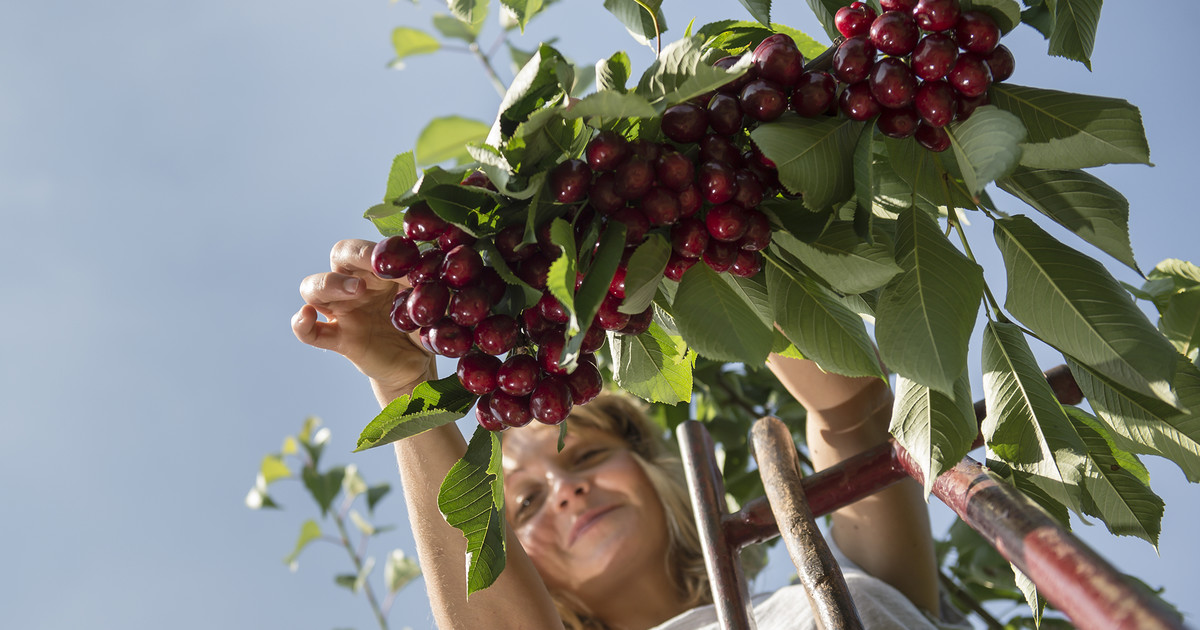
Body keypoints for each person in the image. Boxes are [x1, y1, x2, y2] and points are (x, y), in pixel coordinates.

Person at [292, 239, 959, 630]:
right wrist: (407, 386)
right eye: (523, 504)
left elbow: (853, 414)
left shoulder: (818, 595)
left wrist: (680, 243)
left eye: (585, 455)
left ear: (651, 470)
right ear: (523, 569)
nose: (566, 491)